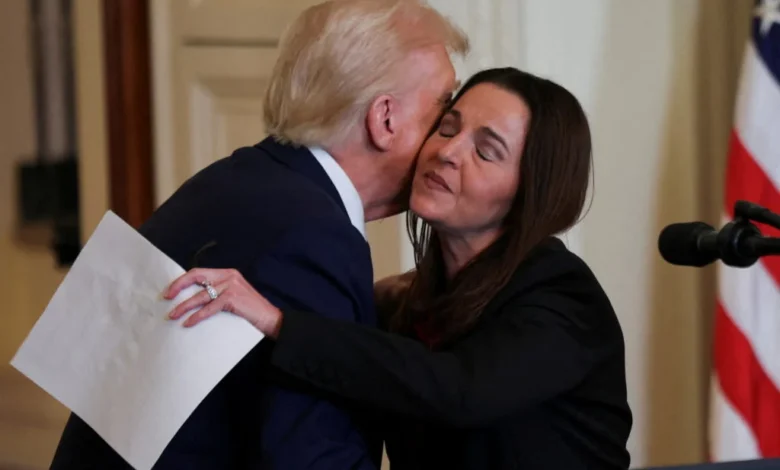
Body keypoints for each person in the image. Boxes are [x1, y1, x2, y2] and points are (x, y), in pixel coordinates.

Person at [49, 1, 468, 469]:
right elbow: (315, 459)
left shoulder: (233, 180)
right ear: (385, 118)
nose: (452, 138)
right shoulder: (313, 236)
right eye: (444, 107)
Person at [166, 67, 634, 469]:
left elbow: (459, 391)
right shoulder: (412, 301)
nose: (447, 152)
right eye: (447, 128)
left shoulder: (564, 296)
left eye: (486, 151)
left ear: (533, 191)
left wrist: (279, 323)